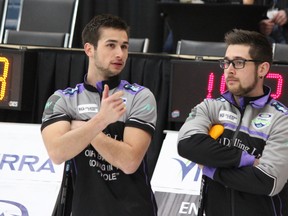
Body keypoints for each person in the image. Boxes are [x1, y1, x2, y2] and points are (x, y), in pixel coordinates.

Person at [41, 14, 158, 216]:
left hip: (134, 210)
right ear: (89, 49)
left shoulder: (140, 96)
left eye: (124, 46)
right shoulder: (62, 99)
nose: (120, 54)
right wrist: (101, 120)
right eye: (111, 45)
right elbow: (57, 153)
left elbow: (129, 162)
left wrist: (83, 128)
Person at [177, 29, 288, 216]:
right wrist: (247, 160)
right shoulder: (210, 107)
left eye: (238, 62)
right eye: (226, 62)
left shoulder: (281, 119)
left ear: (262, 69)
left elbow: (268, 181)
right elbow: (187, 145)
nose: (229, 69)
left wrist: (212, 170)